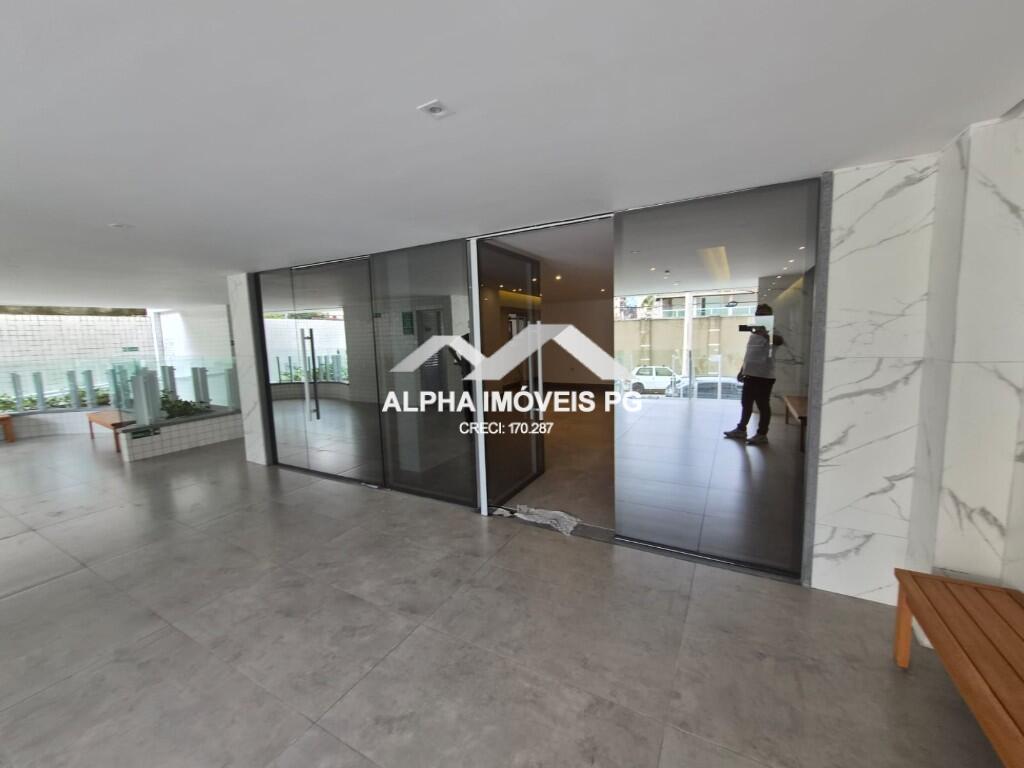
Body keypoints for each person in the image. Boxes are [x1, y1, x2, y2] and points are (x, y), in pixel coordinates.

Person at [724, 304, 784, 445]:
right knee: (746, 403)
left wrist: (764, 333)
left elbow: (779, 341)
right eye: (758, 314)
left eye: (763, 314)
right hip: (750, 374)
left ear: (770, 316)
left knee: (762, 405)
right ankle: (741, 430)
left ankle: (762, 434)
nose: (759, 316)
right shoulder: (754, 333)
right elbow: (749, 354)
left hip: (764, 376)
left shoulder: (772, 330)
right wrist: (742, 370)